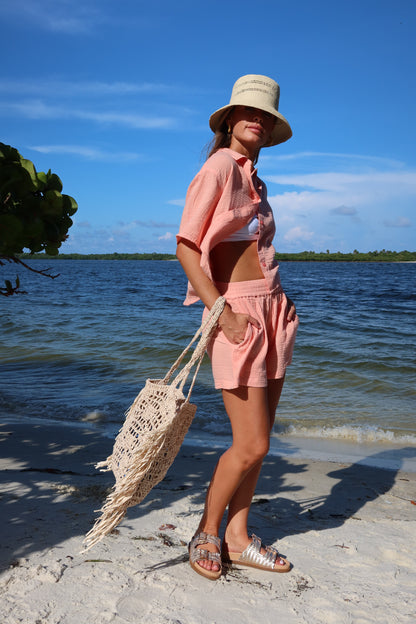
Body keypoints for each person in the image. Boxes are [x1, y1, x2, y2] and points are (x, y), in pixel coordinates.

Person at [176, 74, 299, 581]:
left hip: (273, 309)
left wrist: (281, 308)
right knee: (251, 444)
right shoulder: (220, 167)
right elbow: (186, 246)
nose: (257, 119)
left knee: (262, 439)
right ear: (229, 118)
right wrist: (222, 312)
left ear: (270, 129)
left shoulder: (257, 180)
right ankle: (208, 530)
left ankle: (238, 536)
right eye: (249, 110)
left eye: (266, 115)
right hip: (238, 312)